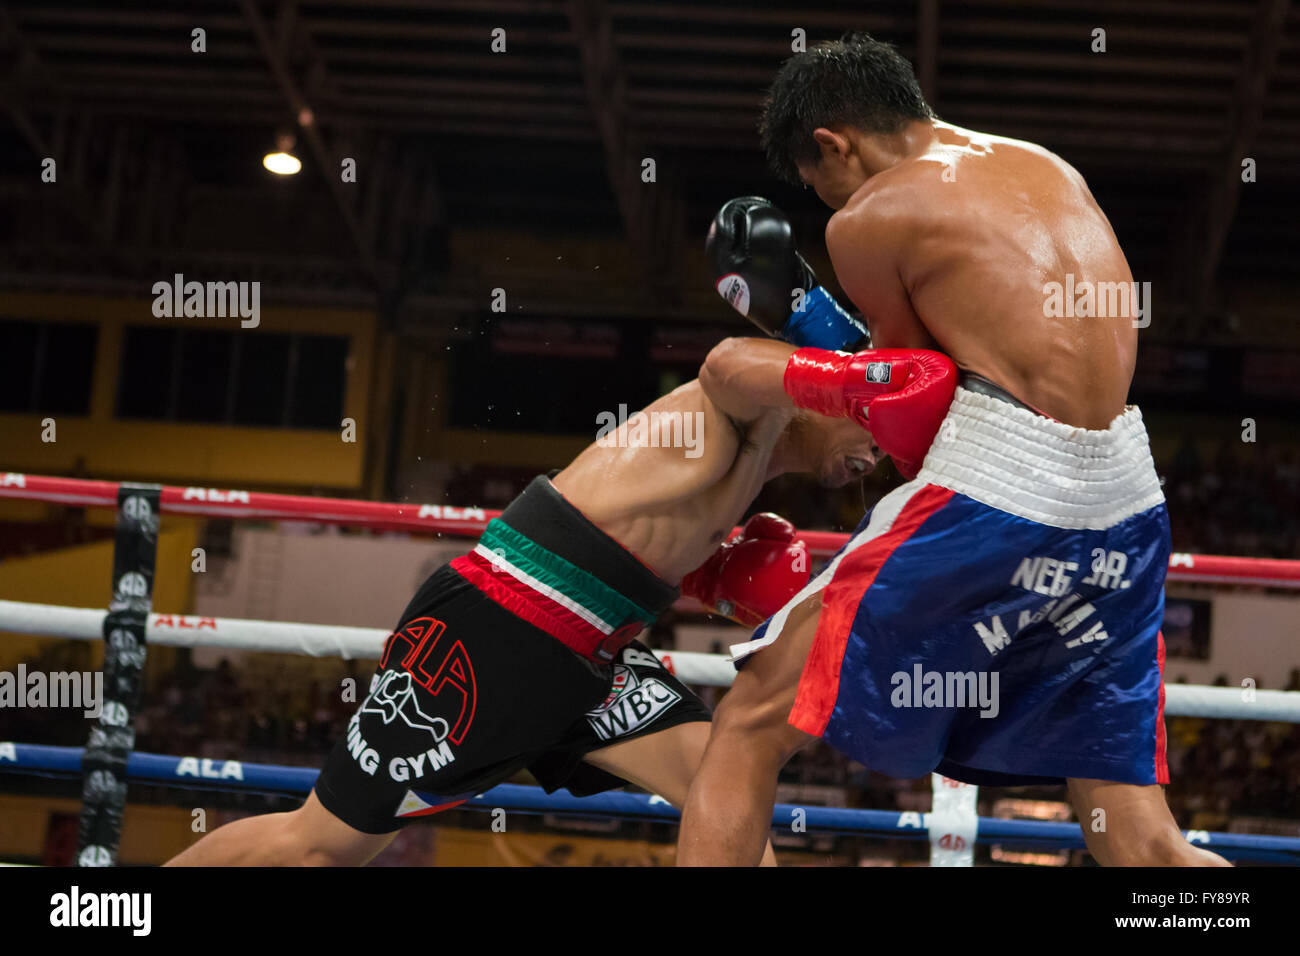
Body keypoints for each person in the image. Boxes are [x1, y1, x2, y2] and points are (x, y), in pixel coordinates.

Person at [677, 32, 1230, 867]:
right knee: (1143, 836)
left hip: (1000, 486)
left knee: (750, 719)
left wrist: (801, 324)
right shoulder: (1044, 165)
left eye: (815, 180)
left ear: (833, 143)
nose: (824, 201)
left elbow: (907, 406)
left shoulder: (871, 218)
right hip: (1126, 501)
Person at [165, 322, 948, 865]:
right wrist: (852, 378)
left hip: (587, 654)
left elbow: (624, 540)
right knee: (319, 846)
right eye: (881, 431)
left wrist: (707, 574)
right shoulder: (741, 415)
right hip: (500, 631)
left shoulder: (755, 467)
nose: (879, 457)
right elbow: (726, 363)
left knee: (729, 778)